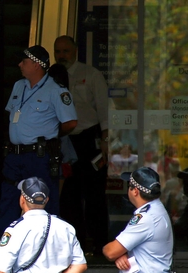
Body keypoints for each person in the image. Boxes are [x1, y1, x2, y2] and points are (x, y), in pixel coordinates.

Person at [0, 45, 77, 251]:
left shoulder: (56, 91)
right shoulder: (19, 86)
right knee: (9, 202)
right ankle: (0, 252)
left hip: (40, 156)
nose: (20, 65)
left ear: (37, 65)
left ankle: (49, 252)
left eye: (25, 62)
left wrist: (51, 137)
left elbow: (70, 122)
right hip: (15, 155)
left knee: (44, 203)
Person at [54, 36, 110, 255]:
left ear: (75, 51)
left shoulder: (90, 74)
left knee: (94, 193)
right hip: (65, 141)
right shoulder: (53, 77)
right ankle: (75, 245)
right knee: (69, 196)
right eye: (58, 51)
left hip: (88, 140)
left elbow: (104, 109)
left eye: (66, 51)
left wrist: (105, 140)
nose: (62, 55)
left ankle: (100, 244)